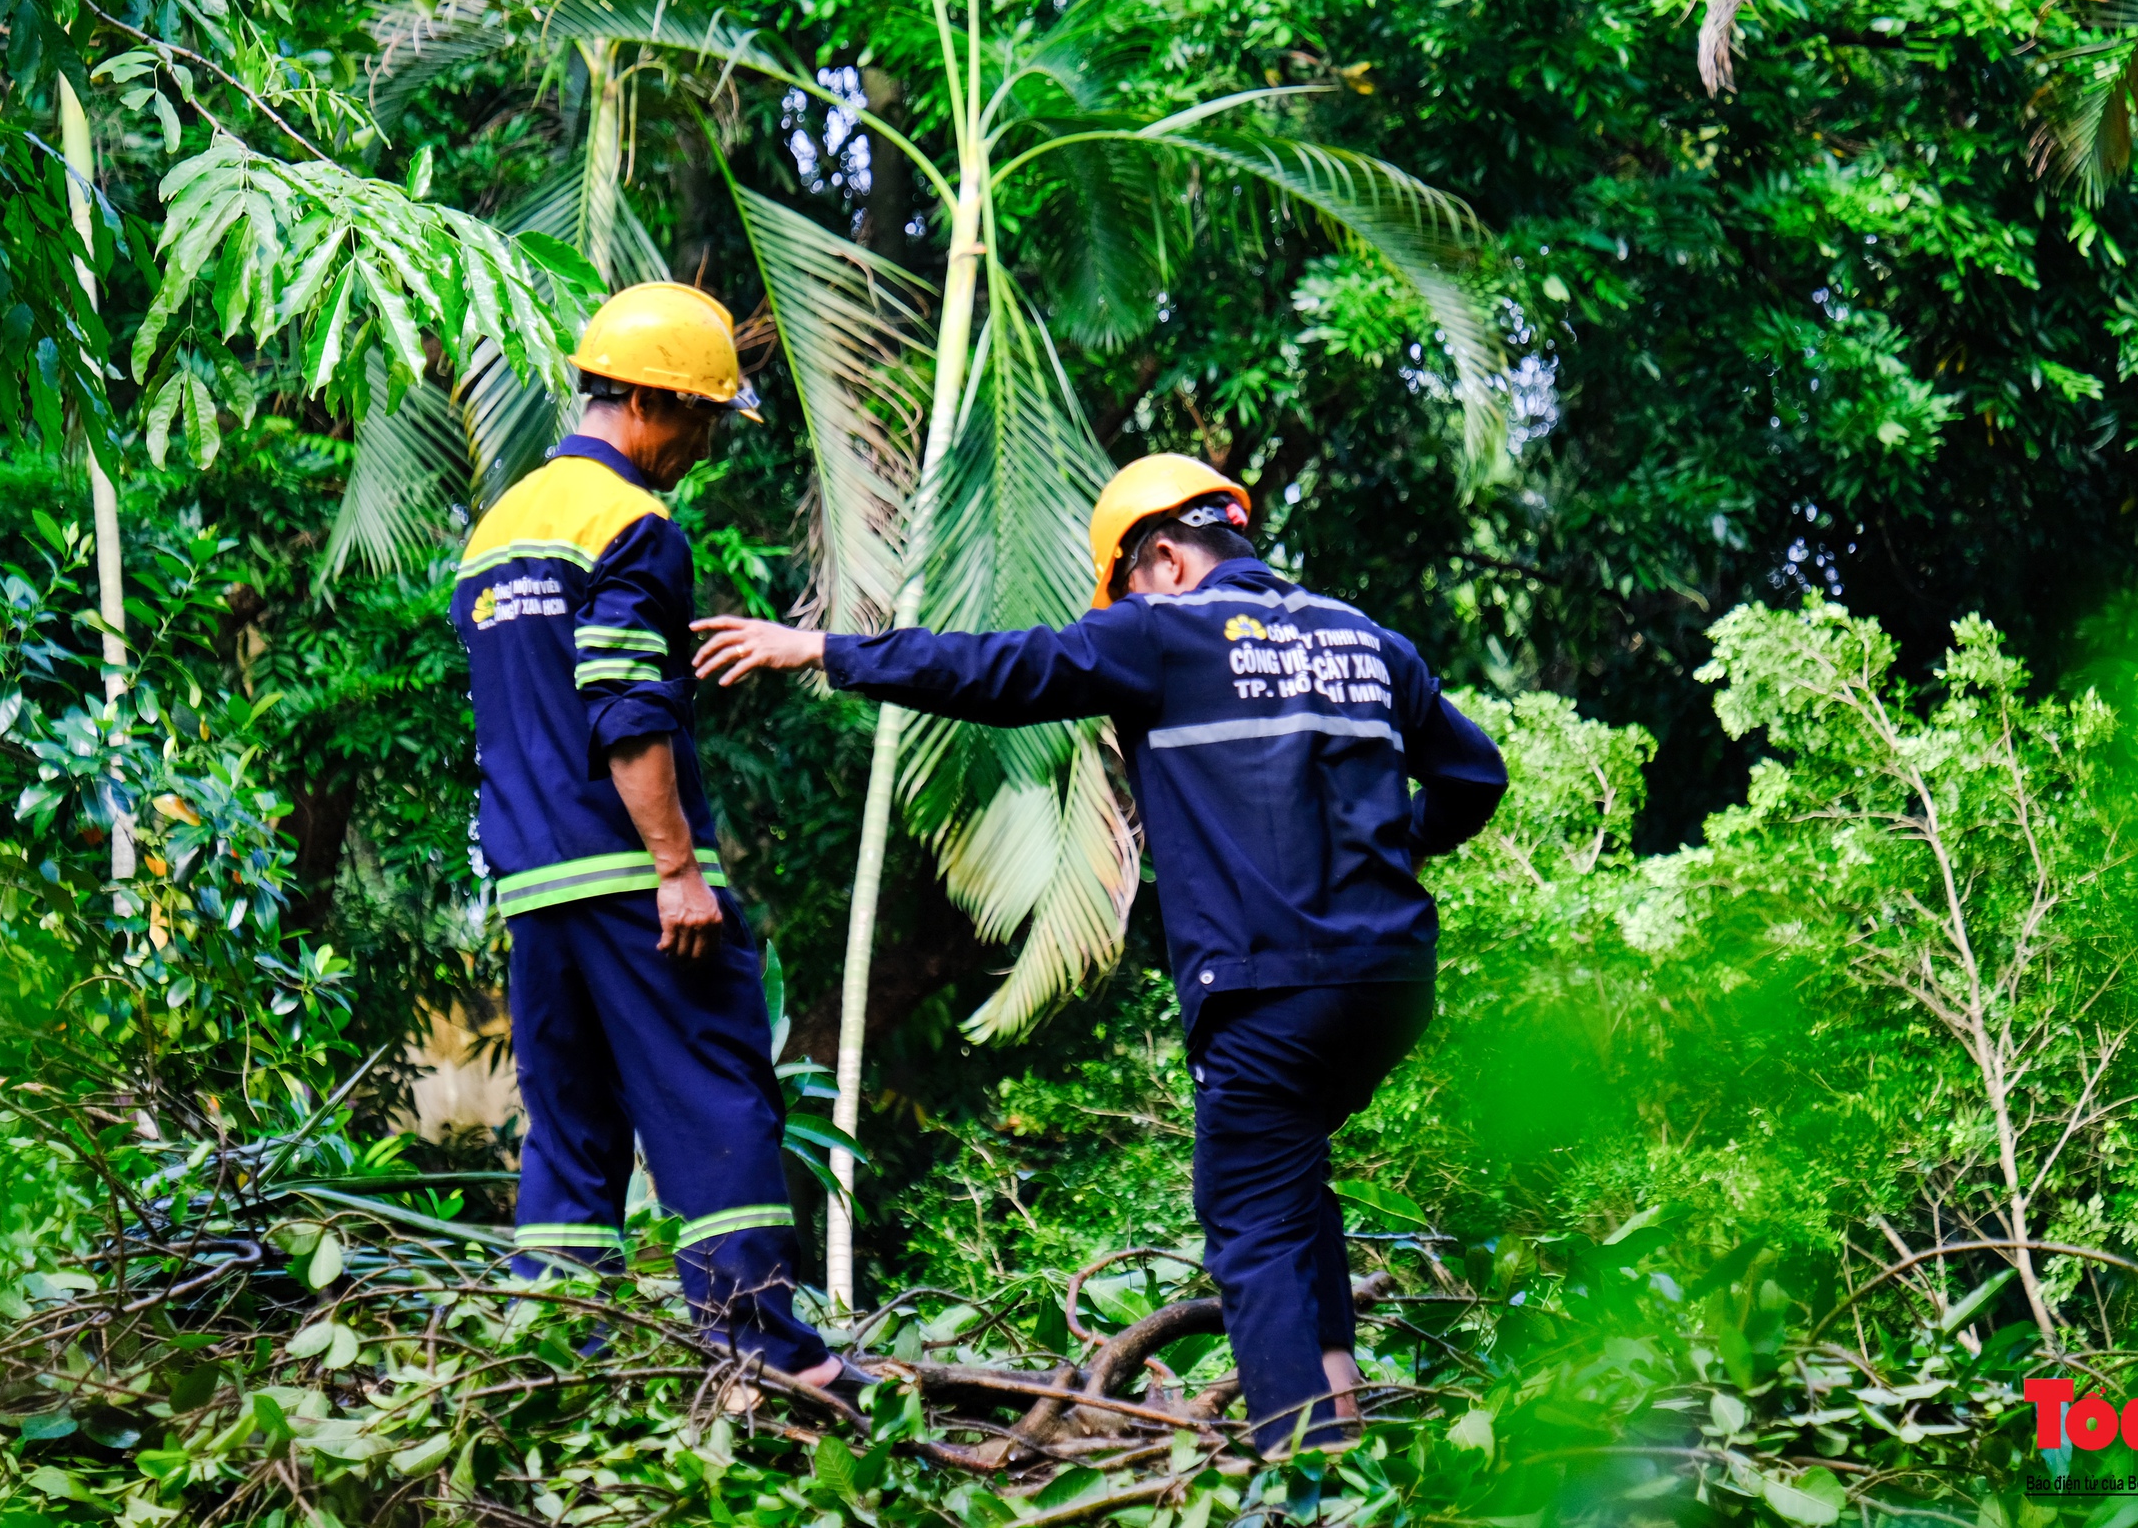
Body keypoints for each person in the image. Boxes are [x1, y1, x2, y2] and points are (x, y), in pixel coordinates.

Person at [690, 453, 1509, 1451]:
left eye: (1118, 590)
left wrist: (823, 648)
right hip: (1385, 981)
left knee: (1249, 1220)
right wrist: (1382, 853)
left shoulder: (1164, 633)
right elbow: (1474, 777)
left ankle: (1310, 1472)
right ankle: (1339, 1418)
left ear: (1161, 558)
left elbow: (998, 671)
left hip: (1270, 983)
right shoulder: (1366, 641)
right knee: (1288, 1185)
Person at [454, 280, 861, 1395]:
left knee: (571, 1134)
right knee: (714, 1098)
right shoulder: (632, 524)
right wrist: (677, 872)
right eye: (698, 418)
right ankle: (763, 1360)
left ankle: (554, 1373)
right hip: (634, 878)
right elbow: (624, 702)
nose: (699, 445)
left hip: (535, 885)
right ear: (645, 403)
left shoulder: (498, 530)